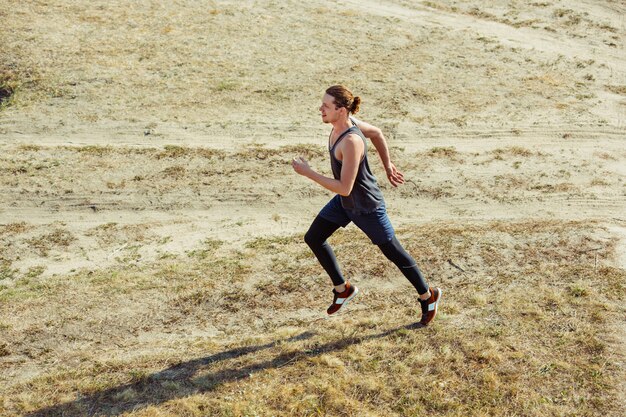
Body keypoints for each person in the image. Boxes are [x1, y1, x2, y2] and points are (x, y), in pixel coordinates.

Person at [292, 85, 441, 325]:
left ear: (341, 110)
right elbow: (378, 133)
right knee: (314, 237)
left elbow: (344, 187)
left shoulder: (351, 140)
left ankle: (428, 295)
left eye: (326, 106)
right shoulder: (343, 125)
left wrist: (308, 172)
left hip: (366, 205)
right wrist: (388, 165)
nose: (320, 109)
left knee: (394, 253)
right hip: (345, 203)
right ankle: (343, 289)